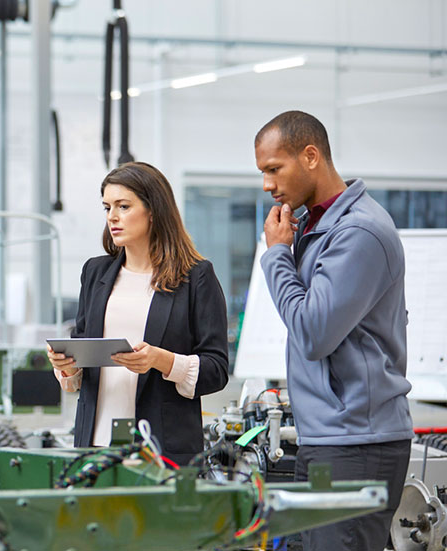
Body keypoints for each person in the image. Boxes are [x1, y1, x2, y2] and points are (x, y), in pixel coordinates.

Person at [255, 110, 412, 550]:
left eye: (273, 169)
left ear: (310, 156)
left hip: (356, 442)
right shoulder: (315, 226)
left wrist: (276, 257)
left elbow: (312, 332)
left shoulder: (358, 231)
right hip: (326, 438)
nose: (267, 184)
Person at [47, 162, 229, 466]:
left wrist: (162, 360)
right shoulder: (95, 273)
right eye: (107, 207)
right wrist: (66, 366)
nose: (112, 217)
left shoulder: (196, 277)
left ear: (153, 210)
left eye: (123, 206)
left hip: (162, 451)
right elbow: (80, 364)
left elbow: (217, 369)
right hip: (94, 446)